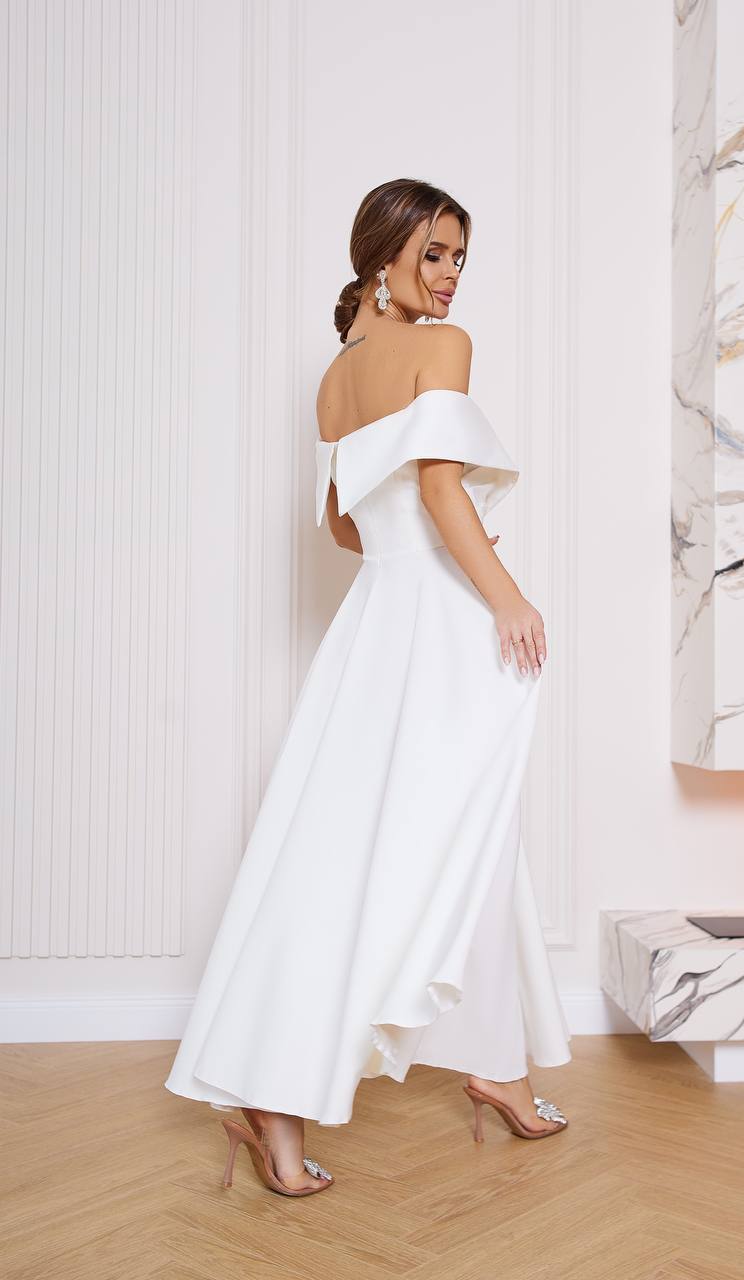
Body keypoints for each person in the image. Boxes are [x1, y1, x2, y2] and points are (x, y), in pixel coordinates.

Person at [164, 178, 572, 1198]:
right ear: (381, 255)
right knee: (455, 836)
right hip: (437, 620)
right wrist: (509, 594)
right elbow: (439, 488)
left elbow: (344, 526)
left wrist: (416, 549)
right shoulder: (447, 346)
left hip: (372, 626)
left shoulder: (336, 378)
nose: (447, 277)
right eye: (431, 253)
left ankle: (343, 1093)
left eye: (458, 258)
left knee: (359, 850)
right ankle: (479, 1069)